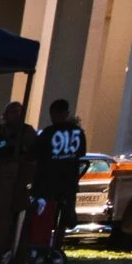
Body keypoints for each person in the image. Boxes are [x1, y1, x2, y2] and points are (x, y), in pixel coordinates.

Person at [39, 98, 87, 243]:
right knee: (65, 216)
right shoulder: (78, 132)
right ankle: (57, 244)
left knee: (47, 215)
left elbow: (37, 153)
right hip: (69, 180)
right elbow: (81, 153)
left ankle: (45, 243)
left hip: (50, 181)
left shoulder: (48, 132)